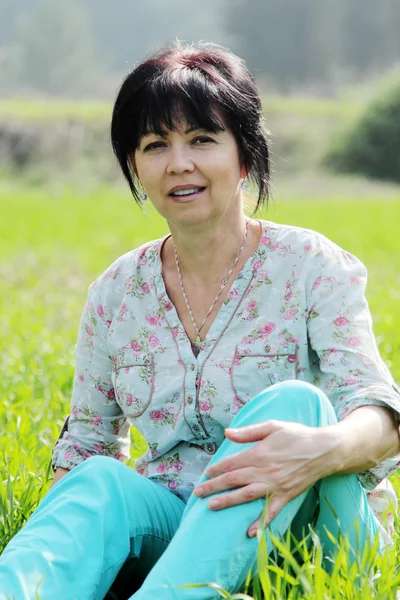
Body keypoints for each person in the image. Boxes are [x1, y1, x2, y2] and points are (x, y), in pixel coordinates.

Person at [0, 39, 400, 600]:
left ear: (244, 157)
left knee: (297, 405)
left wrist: (322, 448)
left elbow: (381, 415)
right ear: (135, 166)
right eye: (155, 144)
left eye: (202, 139)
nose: (178, 162)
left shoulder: (311, 266)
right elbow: (88, 444)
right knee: (99, 481)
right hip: (174, 521)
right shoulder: (116, 292)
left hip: (309, 532)